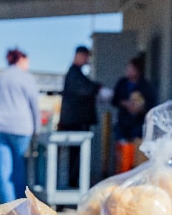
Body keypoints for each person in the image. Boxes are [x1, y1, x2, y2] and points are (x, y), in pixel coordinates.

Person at [0, 48, 40, 203]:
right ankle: (19, 206)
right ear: (21, 59)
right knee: (17, 169)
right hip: (20, 128)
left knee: (3, 169)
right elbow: (34, 105)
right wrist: (37, 129)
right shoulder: (27, 78)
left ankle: (6, 207)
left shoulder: (1, 77)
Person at [58, 45, 102, 188]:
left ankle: (72, 184)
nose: (87, 60)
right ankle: (70, 186)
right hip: (74, 123)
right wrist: (97, 88)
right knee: (73, 159)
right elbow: (84, 90)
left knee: (75, 158)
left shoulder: (77, 74)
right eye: (85, 56)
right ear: (79, 55)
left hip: (76, 122)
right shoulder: (74, 73)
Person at [111, 54, 156, 172]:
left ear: (137, 70)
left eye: (131, 68)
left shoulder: (145, 85)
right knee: (121, 152)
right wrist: (125, 103)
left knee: (136, 154)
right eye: (128, 68)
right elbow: (114, 100)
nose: (128, 71)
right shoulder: (122, 83)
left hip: (137, 125)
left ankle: (134, 175)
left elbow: (151, 104)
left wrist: (140, 108)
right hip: (122, 123)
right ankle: (120, 175)